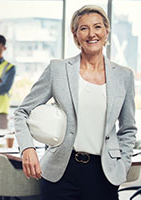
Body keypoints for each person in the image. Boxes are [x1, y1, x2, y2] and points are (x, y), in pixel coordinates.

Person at [14, 5, 137, 200]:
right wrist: (27, 148)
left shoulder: (124, 76)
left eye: (97, 27)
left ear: (106, 31)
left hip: (104, 174)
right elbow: (21, 113)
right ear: (75, 34)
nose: (91, 34)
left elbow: (128, 128)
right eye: (83, 28)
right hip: (61, 172)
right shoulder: (58, 69)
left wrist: (122, 166)